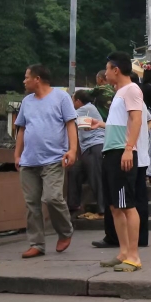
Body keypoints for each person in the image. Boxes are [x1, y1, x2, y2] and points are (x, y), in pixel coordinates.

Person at [14, 64, 77, 259]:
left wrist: (72, 150)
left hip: (54, 158)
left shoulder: (61, 97)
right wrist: (17, 154)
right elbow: (22, 129)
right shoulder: (27, 101)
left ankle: (65, 231)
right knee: (31, 203)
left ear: (37, 79)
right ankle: (36, 244)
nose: (24, 81)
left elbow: (71, 124)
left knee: (52, 198)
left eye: (27, 77)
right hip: (29, 160)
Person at [100, 52, 147, 272]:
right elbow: (121, 123)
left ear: (116, 70)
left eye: (107, 69)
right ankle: (124, 252)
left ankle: (134, 256)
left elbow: (137, 120)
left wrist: (129, 149)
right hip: (111, 152)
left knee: (127, 205)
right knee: (115, 206)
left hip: (122, 152)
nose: (105, 73)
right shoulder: (120, 92)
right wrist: (100, 125)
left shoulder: (132, 89)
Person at [69, 90, 105, 219]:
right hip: (87, 149)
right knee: (74, 171)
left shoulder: (86, 108)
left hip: (95, 146)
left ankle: (102, 211)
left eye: (73, 100)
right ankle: (74, 205)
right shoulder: (86, 110)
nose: (72, 104)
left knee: (96, 179)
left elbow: (65, 117)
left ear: (78, 101)